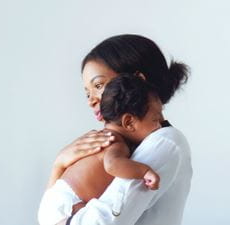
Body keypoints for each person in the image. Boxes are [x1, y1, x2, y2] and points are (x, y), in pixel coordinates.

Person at [44, 34, 192, 225]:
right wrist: (59, 165)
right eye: (87, 92)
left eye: (99, 85)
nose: (91, 100)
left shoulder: (164, 141)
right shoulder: (122, 144)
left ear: (137, 81)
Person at [38, 75, 163, 225]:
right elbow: (112, 165)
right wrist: (144, 171)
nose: (161, 125)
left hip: (54, 200)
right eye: (155, 120)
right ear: (129, 122)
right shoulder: (115, 143)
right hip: (69, 204)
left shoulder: (103, 137)